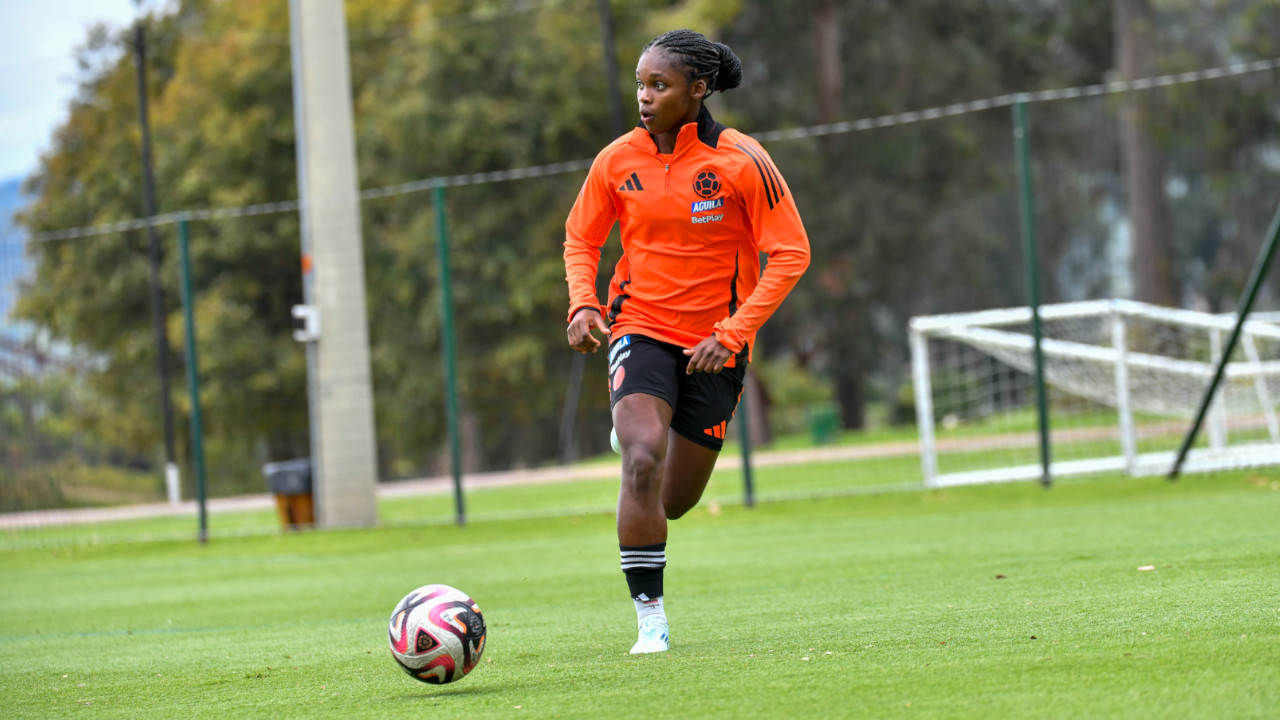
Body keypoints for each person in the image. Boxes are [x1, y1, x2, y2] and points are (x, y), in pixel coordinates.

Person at [563, 28, 811, 654]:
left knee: (673, 501)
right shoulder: (616, 160)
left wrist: (733, 332)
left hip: (715, 347)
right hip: (639, 327)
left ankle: (644, 433)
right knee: (642, 458)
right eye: (640, 83)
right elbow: (581, 239)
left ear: (697, 91)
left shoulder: (741, 160)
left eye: (659, 85)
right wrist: (584, 303)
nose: (643, 96)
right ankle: (651, 622)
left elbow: (790, 254)